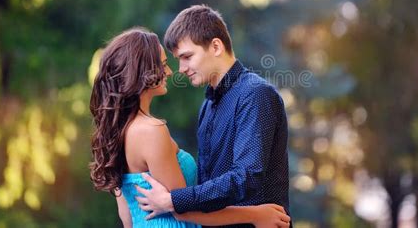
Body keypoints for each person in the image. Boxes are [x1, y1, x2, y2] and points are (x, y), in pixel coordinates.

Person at [89, 27, 291, 228]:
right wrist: (255, 215)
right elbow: (182, 210)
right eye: (163, 64)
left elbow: (127, 218)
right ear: (140, 71)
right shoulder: (152, 130)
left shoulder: (118, 133)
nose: (170, 71)